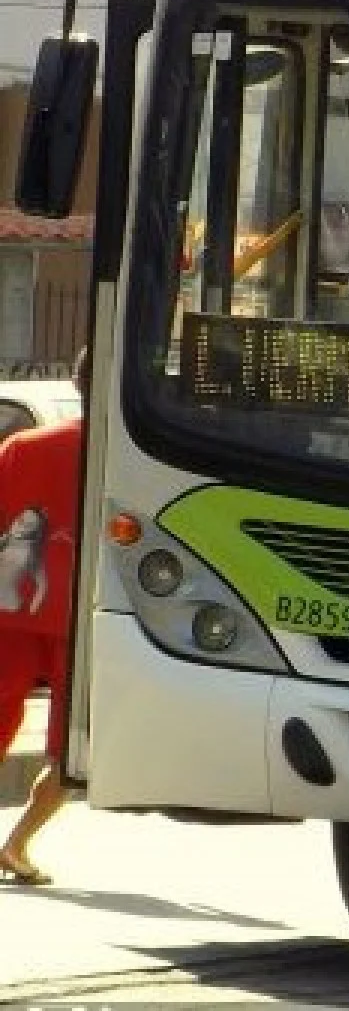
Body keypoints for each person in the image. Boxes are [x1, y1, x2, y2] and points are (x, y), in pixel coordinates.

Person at [0, 345, 86, 886]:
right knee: (72, 749)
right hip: (86, 621)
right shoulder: (136, 457)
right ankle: (17, 843)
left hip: (9, 610)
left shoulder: (22, 447)